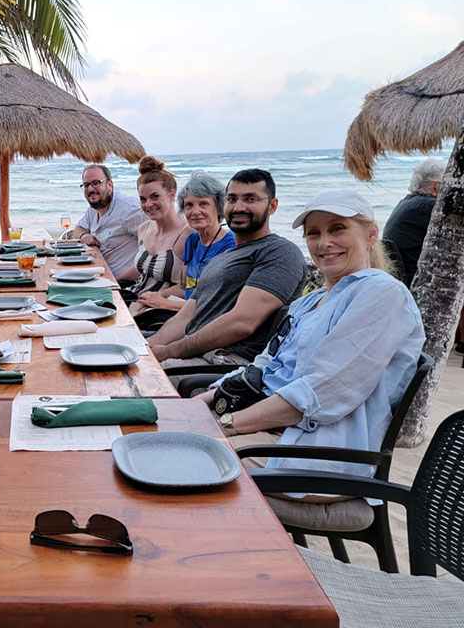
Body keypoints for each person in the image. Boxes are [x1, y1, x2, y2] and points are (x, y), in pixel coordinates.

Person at [200, 190, 425, 490]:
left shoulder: (380, 293)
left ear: (371, 234)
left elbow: (318, 394)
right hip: (276, 430)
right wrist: (205, 400)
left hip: (317, 452)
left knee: (184, 461)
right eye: (313, 233)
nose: (323, 243)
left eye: (337, 229)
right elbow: (266, 367)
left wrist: (224, 424)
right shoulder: (312, 300)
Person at [148, 169, 307, 381]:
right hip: (192, 355)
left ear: (272, 206)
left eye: (250, 199)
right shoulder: (221, 258)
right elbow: (185, 317)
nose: (239, 207)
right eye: (232, 199)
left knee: (133, 383)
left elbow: (242, 323)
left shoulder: (279, 252)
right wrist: (148, 350)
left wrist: (167, 352)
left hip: (224, 364)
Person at [133, 170, 235, 320]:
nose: (195, 211)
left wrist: (166, 304)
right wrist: (156, 296)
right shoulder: (193, 240)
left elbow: (218, 304)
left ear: (219, 207)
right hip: (183, 312)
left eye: (204, 204)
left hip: (202, 320)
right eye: (189, 205)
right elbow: (185, 287)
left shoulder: (230, 245)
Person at [117, 157, 193, 326]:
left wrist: (163, 297)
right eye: (143, 199)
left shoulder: (188, 235)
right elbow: (143, 269)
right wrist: (113, 281)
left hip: (158, 310)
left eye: (155, 197)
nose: (148, 204)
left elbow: (190, 284)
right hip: (134, 295)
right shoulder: (144, 229)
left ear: (172, 195)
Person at [72, 164, 147, 276]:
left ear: (110, 184)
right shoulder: (94, 208)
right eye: (86, 185)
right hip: (96, 274)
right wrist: (84, 236)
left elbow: (158, 243)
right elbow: (78, 229)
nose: (90, 189)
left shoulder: (129, 210)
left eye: (96, 183)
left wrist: (119, 281)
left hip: (122, 284)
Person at [383, 157, 446, 287]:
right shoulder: (429, 206)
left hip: (404, 278)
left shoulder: (407, 203)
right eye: (448, 187)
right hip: (419, 282)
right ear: (435, 188)